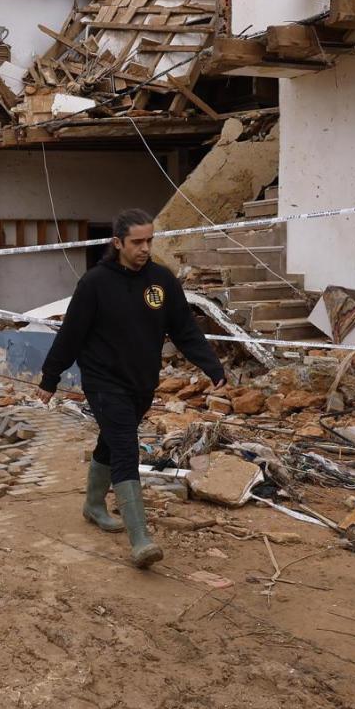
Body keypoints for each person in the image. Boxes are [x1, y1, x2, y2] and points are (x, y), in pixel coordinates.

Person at [37, 208, 226, 568]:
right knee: (125, 445)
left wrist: (211, 365)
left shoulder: (162, 281)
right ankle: (140, 540)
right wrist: (50, 378)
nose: (145, 248)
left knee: (111, 439)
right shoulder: (95, 283)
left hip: (141, 381)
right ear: (117, 243)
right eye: (137, 242)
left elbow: (184, 329)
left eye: (149, 240)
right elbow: (71, 335)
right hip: (103, 380)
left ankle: (93, 505)